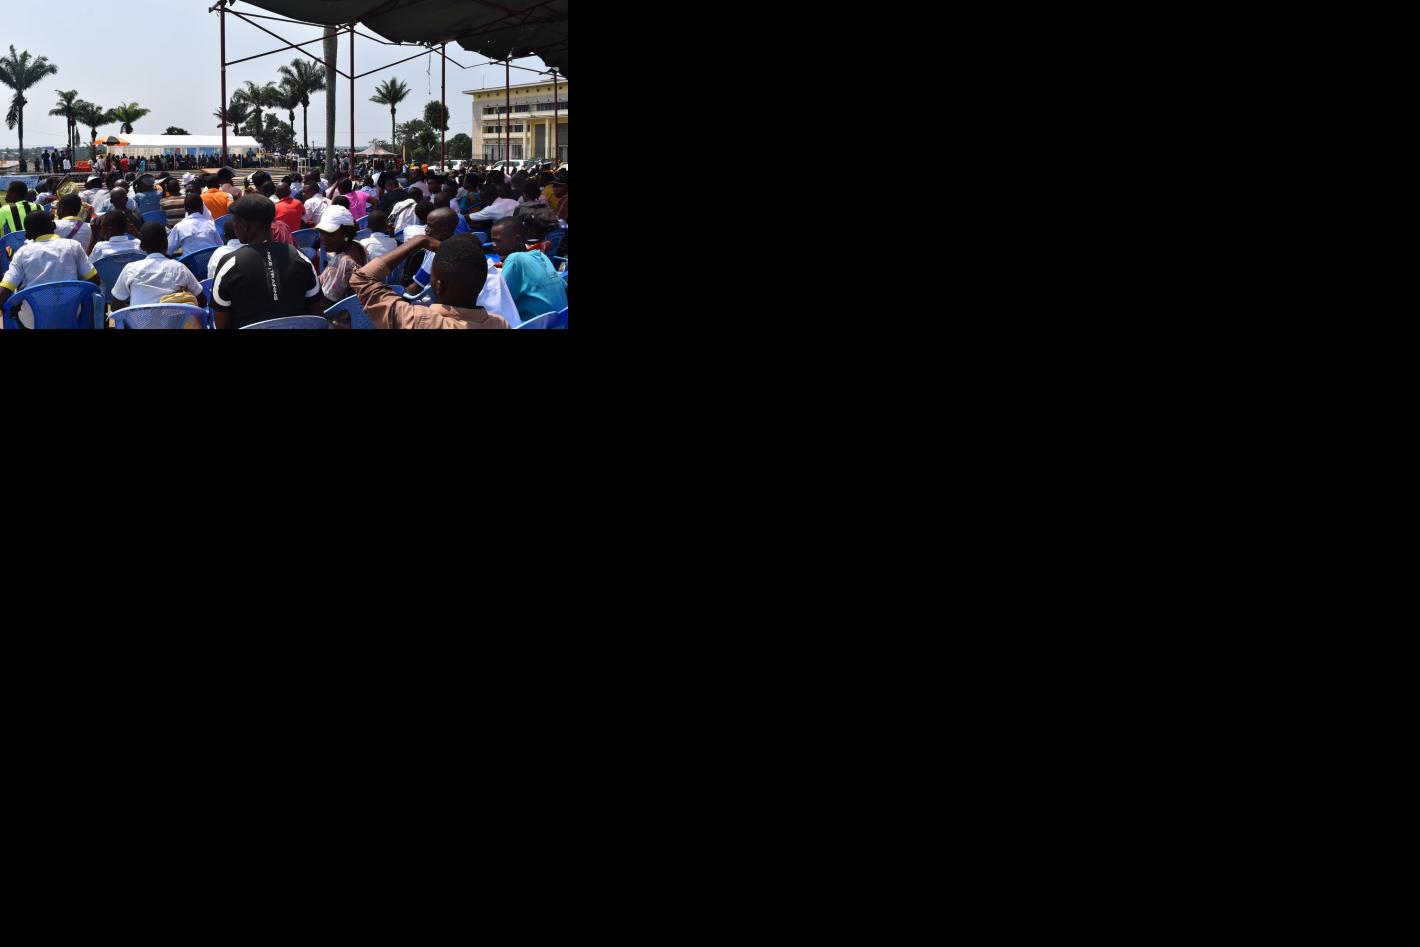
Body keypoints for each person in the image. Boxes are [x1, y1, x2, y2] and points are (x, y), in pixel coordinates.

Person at [210, 195, 324, 329]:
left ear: (245, 226)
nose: (234, 226)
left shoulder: (229, 264)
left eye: (235, 221)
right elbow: (317, 314)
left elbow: (221, 324)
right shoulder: (300, 257)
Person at [351, 233, 507, 330]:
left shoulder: (417, 321)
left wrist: (420, 240)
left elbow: (361, 278)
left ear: (438, 286)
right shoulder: (500, 323)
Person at [0, 211, 102, 328]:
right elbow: (95, 280)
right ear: (53, 226)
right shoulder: (73, 246)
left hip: (32, 321)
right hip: (71, 316)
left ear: (27, 235)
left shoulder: (22, 253)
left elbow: (4, 292)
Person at [111, 222, 206, 310]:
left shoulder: (130, 269)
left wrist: (132, 310)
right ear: (166, 244)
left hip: (138, 322)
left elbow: (115, 307)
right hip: (174, 322)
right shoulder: (180, 269)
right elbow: (202, 301)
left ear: (141, 246)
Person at [490, 216, 567, 323]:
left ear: (517, 239)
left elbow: (501, 300)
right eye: (492, 241)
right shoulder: (541, 255)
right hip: (560, 321)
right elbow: (563, 286)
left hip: (537, 324)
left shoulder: (515, 259)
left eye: (498, 241)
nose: (493, 245)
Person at [314, 206, 368, 314]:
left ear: (346, 233)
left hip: (341, 317)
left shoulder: (343, 262)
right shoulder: (358, 246)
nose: (323, 238)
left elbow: (325, 303)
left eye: (330, 233)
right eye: (322, 232)